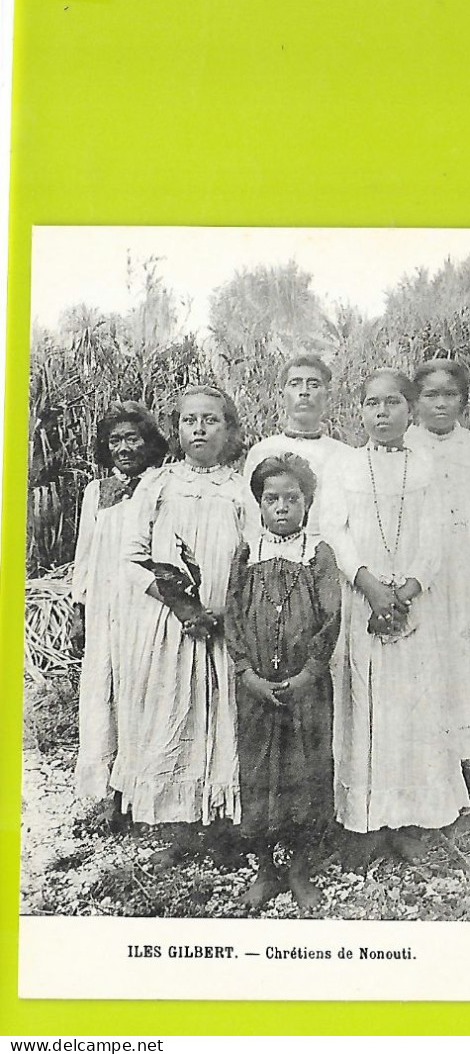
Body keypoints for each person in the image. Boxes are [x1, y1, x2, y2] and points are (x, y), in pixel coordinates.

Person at [320, 369, 470, 862]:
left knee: (412, 707)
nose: (381, 414)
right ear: (359, 410)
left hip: (412, 604)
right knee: (362, 705)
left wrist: (404, 591)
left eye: (392, 404)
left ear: (410, 410)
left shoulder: (426, 466)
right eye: (371, 404)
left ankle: (409, 820)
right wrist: (369, 585)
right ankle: (364, 822)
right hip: (360, 599)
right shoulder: (344, 467)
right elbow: (335, 532)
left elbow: (436, 540)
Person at [110, 385, 246, 852]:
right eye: (191, 421)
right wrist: (185, 607)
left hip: (225, 625)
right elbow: (131, 558)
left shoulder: (240, 487)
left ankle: (221, 820)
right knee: (173, 710)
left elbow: (253, 554)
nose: (201, 429)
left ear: (228, 429)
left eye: (211, 419)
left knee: (222, 713)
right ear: (177, 429)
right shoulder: (158, 485)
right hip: (172, 624)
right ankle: (177, 823)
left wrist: (225, 610)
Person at [226, 453, 341, 910]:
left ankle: (299, 868)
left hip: (306, 690)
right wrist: (246, 672)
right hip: (256, 688)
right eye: (270, 499)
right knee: (257, 771)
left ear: (307, 503)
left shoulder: (318, 553)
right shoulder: (247, 553)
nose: (280, 508)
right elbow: (233, 617)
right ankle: (265, 869)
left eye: (291, 499)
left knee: (305, 772)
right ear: (258, 504)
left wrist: (310, 672)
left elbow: (331, 617)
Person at [406, 358, 470, 775]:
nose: (441, 404)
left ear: (464, 401)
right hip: (422, 570)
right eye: (431, 395)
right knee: (428, 651)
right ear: (415, 402)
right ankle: (430, 751)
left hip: (468, 567)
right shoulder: (406, 446)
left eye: (450, 395)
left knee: (469, 651)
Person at [71, 401, 168, 822]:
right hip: (105, 610)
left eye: (133, 438)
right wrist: (79, 607)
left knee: (143, 694)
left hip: (145, 607)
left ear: (149, 443)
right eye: (115, 440)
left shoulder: (163, 486)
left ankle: (144, 791)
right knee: (103, 692)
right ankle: (111, 796)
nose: (124, 448)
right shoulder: (97, 492)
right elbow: (86, 555)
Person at [243, 355, 348, 541]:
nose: (304, 392)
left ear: (327, 395)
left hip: (329, 560)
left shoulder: (344, 455)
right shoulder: (261, 452)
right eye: (295, 384)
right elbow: (252, 522)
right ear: (281, 394)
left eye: (314, 384)